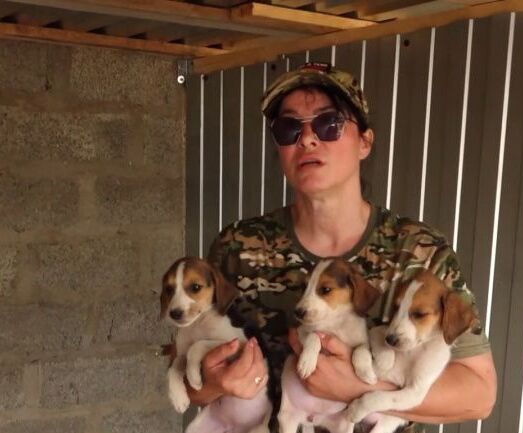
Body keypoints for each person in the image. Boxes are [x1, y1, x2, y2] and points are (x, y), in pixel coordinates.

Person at [186, 62, 497, 433]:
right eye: (289, 128)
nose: (307, 139)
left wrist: (357, 388)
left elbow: (479, 394)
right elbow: (191, 383)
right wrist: (213, 383)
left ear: (364, 142)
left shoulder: (419, 250)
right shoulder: (237, 247)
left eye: (328, 123)